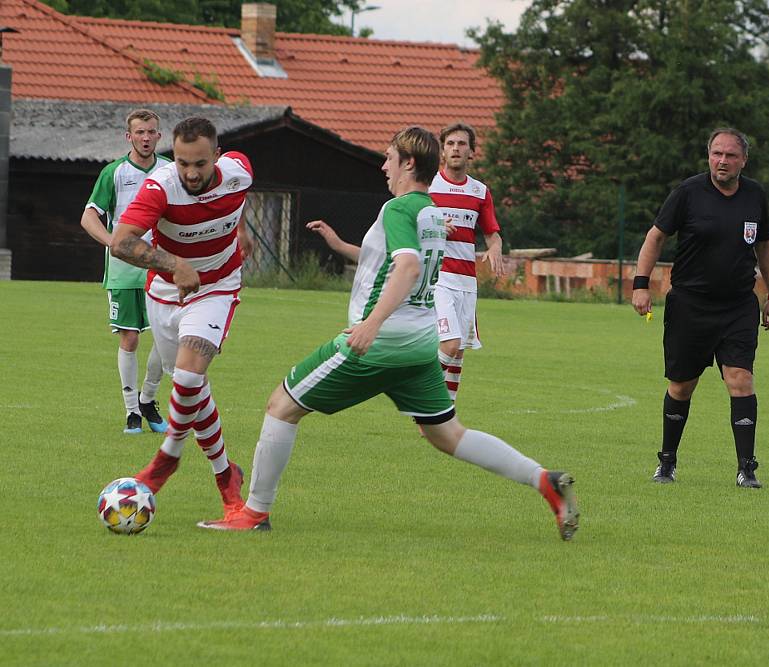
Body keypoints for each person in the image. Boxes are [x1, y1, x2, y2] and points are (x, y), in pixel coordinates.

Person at [197, 126, 579, 540]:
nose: (383, 165)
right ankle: (545, 480)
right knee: (448, 435)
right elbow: (390, 263)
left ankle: (253, 513)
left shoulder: (399, 209)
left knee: (280, 407)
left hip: (381, 343)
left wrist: (371, 324)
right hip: (419, 343)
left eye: (389, 157)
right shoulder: (432, 211)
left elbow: (409, 267)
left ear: (408, 163)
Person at [110, 116, 255, 517]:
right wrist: (175, 263)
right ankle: (227, 477)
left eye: (200, 164)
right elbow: (121, 242)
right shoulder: (160, 188)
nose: (190, 172)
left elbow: (235, 201)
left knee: (189, 376)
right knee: (191, 387)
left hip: (217, 287)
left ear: (218, 158)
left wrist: (238, 231)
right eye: (182, 162)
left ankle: (168, 457)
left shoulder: (239, 171)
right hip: (165, 291)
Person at [631, 127, 769, 488]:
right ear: (709, 156)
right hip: (690, 305)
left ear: (744, 160)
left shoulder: (755, 196)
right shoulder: (688, 193)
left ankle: (747, 469)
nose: (722, 161)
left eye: (730, 155)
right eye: (717, 154)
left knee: (740, 380)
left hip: (738, 306)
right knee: (682, 386)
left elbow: (766, 246)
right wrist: (641, 283)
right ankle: (667, 462)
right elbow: (656, 237)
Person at [81, 108, 168, 434]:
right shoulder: (113, 173)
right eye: (140, 132)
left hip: (161, 266)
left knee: (166, 338)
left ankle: (148, 398)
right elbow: (89, 217)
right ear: (128, 136)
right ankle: (132, 412)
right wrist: (114, 243)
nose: (146, 138)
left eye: (151, 132)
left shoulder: (169, 171)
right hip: (124, 270)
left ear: (159, 136)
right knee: (130, 339)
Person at [427, 122, 505, 404]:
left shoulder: (480, 192)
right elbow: (410, 224)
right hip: (438, 279)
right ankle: (422, 395)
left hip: (466, 283)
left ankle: (444, 412)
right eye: (450, 144)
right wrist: (435, 225)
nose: (456, 149)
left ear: (471, 151)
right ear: (442, 151)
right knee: (450, 343)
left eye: (462, 144)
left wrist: (495, 249)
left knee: (458, 351)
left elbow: (493, 235)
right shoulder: (428, 187)